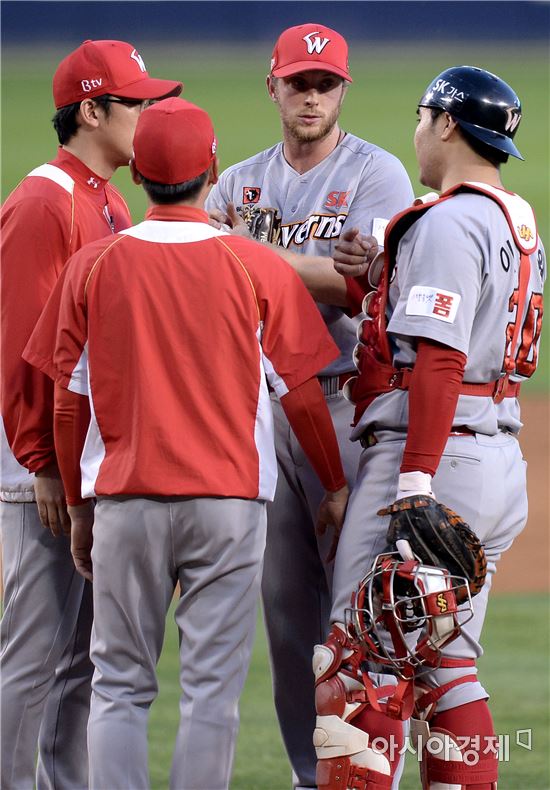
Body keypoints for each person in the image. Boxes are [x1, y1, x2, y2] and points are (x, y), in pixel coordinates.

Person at [23, 97, 350, 790]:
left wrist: (79, 505)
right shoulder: (255, 266)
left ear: (136, 176)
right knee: (210, 693)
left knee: (118, 684)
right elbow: (300, 391)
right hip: (228, 505)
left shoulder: (92, 265)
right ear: (213, 170)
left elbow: (66, 396)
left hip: (124, 501)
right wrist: (336, 483)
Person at [313, 66, 546, 789]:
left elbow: (440, 358)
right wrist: (381, 271)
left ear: (446, 124)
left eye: (421, 117)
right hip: (493, 456)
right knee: (446, 662)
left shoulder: (446, 222)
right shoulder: (514, 217)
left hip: (433, 459)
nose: (416, 130)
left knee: (361, 658)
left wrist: (415, 480)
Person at [206, 23, 413, 788]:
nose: (312, 96)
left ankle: (363, 772)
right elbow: (220, 279)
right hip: (261, 416)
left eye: (326, 84)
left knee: (356, 612)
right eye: (299, 83)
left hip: (348, 411)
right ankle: (309, 775)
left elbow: (360, 287)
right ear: (274, 86)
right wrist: (312, 268)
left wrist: (249, 256)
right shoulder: (240, 180)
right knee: (288, 616)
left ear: (344, 91)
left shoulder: (378, 175)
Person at [0, 39, 181, 788]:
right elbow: (22, 347)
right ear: (91, 110)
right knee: (33, 655)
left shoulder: (105, 196)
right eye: (135, 102)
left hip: (87, 460)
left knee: (80, 660)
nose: (148, 114)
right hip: (45, 462)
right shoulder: (44, 201)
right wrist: (43, 461)